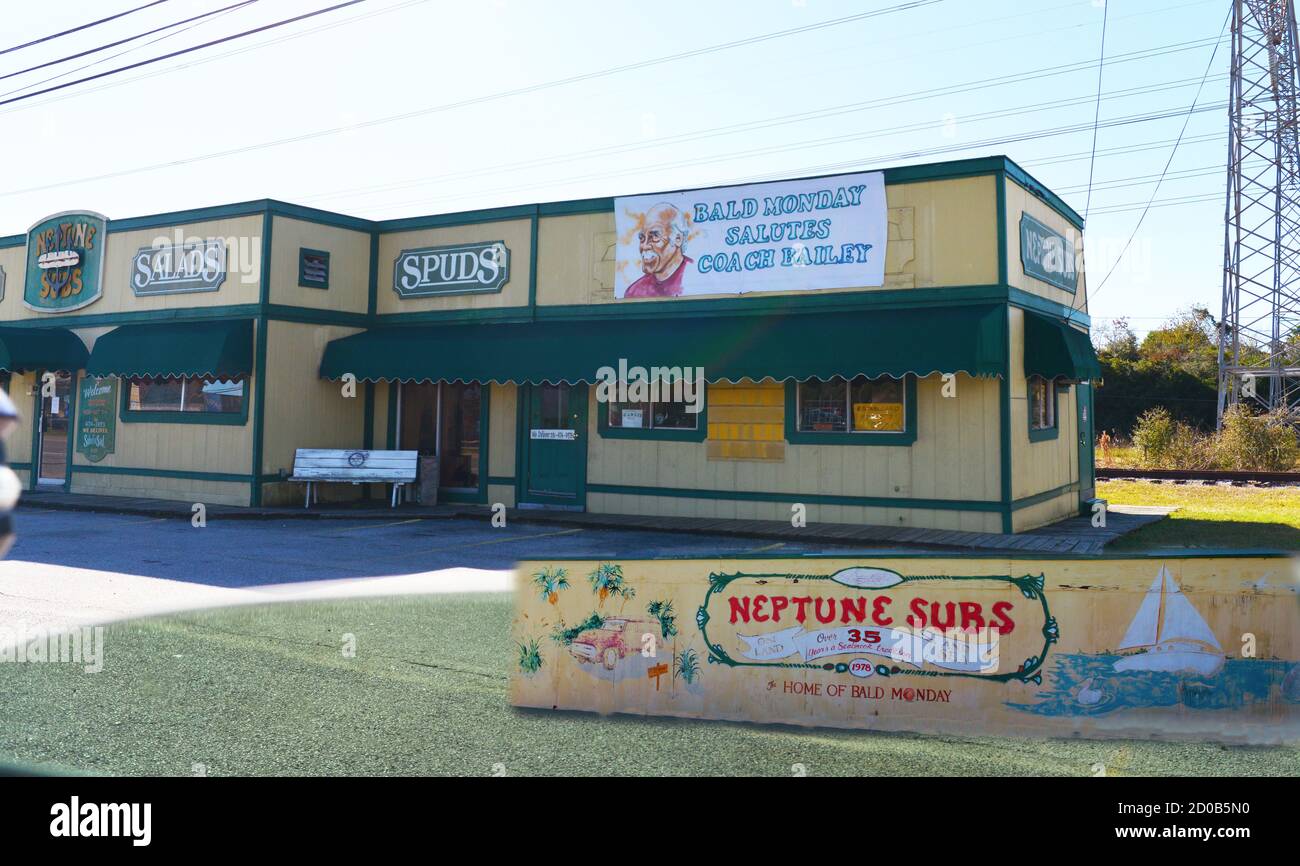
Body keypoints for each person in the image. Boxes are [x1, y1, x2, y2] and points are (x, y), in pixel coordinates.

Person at [625, 203, 692, 297]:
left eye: (655, 236)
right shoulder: (635, 292)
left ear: (678, 239)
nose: (644, 246)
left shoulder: (695, 276)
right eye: (642, 238)